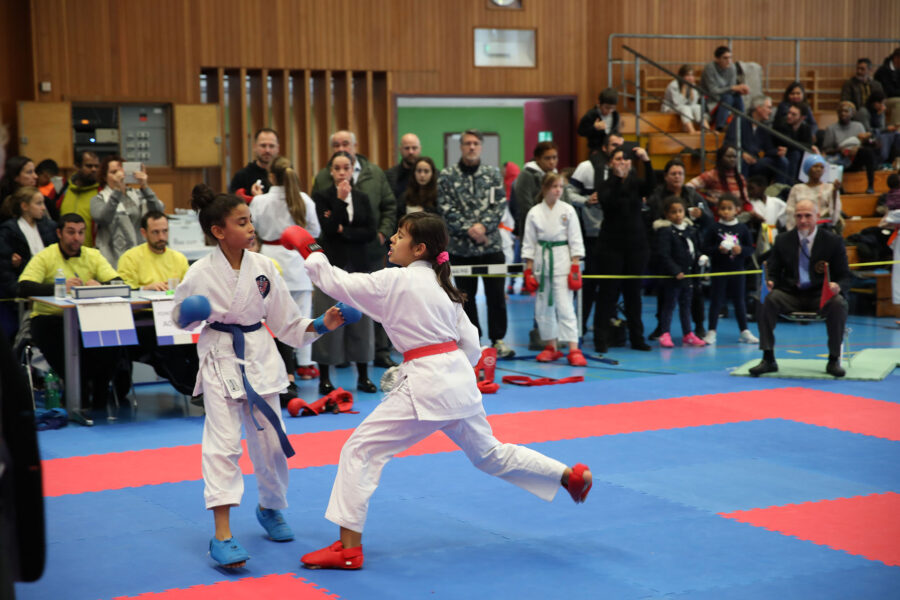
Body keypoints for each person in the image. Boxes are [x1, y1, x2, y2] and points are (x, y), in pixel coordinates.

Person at [280, 211, 593, 570]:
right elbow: (471, 344)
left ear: (419, 249)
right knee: (490, 454)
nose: (392, 239)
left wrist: (311, 248)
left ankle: (348, 549)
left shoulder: (395, 279)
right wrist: (451, 371)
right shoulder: (445, 288)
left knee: (360, 450)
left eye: (400, 235)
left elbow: (335, 281)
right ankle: (568, 475)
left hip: (426, 385)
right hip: (457, 380)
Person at [171, 187, 347, 569]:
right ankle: (222, 534)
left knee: (269, 445)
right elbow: (178, 317)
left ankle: (270, 507)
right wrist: (187, 314)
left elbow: (287, 323)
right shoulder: (200, 272)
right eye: (242, 222)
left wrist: (321, 324)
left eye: (250, 220)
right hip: (219, 357)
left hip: (260, 355)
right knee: (222, 445)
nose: (251, 228)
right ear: (219, 231)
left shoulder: (265, 267)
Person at [312, 130, 398, 368]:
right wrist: (338, 214)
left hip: (367, 253)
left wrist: (380, 234)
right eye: (336, 144)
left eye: (346, 143)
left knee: (368, 310)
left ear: (355, 146)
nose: (342, 147)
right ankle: (336, 359)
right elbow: (324, 225)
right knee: (333, 308)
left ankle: (377, 353)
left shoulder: (374, 174)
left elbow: (385, 210)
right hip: (335, 258)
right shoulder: (322, 180)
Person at [16, 213, 120, 409]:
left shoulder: (93, 255)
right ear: (59, 233)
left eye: (81, 233)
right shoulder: (46, 256)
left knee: (113, 342)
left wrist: (101, 285)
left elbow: (118, 282)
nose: (76, 238)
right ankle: (78, 396)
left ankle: (100, 397)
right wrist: (59, 287)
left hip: (89, 318)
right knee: (63, 347)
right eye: (71, 232)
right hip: (50, 318)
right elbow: (23, 287)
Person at [750, 199, 851, 378]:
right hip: (791, 294)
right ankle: (768, 358)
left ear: (817, 216)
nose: (803, 220)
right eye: (799, 216)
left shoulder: (833, 241)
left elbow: (845, 276)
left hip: (820, 295)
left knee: (838, 303)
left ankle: (834, 359)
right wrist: (770, 282)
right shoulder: (783, 240)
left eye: (807, 216)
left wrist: (837, 286)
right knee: (765, 299)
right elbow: (773, 271)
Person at [437, 129, 515, 358]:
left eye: (475, 143)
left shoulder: (492, 174)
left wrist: (483, 228)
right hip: (462, 250)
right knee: (466, 299)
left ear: (481, 146)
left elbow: (499, 205)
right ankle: (474, 344)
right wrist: (470, 230)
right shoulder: (447, 175)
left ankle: (498, 340)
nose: (472, 147)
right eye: (467, 143)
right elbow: (446, 208)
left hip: (491, 246)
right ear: (461, 147)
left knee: (497, 297)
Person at [250, 156, 322, 386]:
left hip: (270, 260)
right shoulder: (304, 199)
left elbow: (253, 229)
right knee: (302, 316)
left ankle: (278, 366)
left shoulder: (260, 201)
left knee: (272, 316)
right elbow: (315, 231)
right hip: (298, 261)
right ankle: (305, 364)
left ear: (271, 177)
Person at [311, 151, 378, 395]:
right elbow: (327, 230)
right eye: (337, 168)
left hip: (358, 267)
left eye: (346, 168)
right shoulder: (322, 197)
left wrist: (345, 231)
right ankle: (325, 378)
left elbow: (370, 231)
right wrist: (339, 201)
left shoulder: (362, 197)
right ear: (331, 171)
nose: (342, 172)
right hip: (331, 267)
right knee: (327, 318)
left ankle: (363, 376)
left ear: (352, 170)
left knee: (362, 323)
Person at [116, 210, 196, 395]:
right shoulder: (130, 257)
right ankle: (191, 389)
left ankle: (202, 388)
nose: (161, 237)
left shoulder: (178, 258)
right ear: (144, 233)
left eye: (165, 231)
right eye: (156, 232)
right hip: (144, 320)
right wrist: (145, 288)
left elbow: (190, 288)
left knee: (199, 343)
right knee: (167, 349)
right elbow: (123, 291)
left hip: (175, 317)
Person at [593, 145, 655, 353]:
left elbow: (651, 187)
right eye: (618, 159)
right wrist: (618, 179)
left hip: (636, 246)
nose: (622, 162)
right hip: (611, 247)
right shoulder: (605, 185)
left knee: (633, 294)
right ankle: (600, 338)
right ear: (611, 163)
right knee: (607, 293)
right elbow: (609, 202)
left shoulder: (637, 184)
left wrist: (646, 161)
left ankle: (637, 338)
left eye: (626, 159)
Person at [521, 173, 586, 365]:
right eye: (554, 186)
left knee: (565, 306)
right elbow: (529, 242)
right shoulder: (534, 212)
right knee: (543, 308)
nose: (558, 190)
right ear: (545, 188)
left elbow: (575, 239)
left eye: (560, 187)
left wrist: (575, 266)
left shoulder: (568, 210)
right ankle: (551, 347)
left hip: (563, 262)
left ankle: (574, 348)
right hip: (542, 262)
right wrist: (528, 270)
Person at [646, 158, 713, 341]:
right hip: (667, 250)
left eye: (680, 173)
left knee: (695, 291)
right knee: (665, 293)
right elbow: (650, 220)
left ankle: (697, 327)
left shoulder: (693, 195)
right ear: (666, 176)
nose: (677, 177)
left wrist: (702, 215)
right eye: (673, 173)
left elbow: (709, 220)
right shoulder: (657, 195)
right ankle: (662, 328)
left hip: (690, 249)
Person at [0, 187, 57, 336]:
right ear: (24, 206)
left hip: (51, 287)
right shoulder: (8, 231)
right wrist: (19, 291)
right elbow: (5, 269)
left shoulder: (50, 227)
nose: (43, 208)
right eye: (38, 203)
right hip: (23, 293)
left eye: (43, 203)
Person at [700, 194, 757, 345]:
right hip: (719, 271)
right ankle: (711, 331)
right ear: (718, 210)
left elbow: (750, 249)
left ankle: (744, 331)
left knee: (739, 301)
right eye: (723, 208)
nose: (726, 211)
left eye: (729, 208)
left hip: (738, 271)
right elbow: (705, 248)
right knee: (716, 301)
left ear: (736, 210)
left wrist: (741, 250)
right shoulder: (714, 228)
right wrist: (718, 249)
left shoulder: (742, 228)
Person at [652, 197, 706, 348]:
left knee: (686, 305)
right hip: (673, 277)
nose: (678, 215)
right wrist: (675, 270)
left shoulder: (690, 230)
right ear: (667, 214)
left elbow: (694, 249)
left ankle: (688, 334)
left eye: (680, 211)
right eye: (673, 212)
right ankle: (665, 333)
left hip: (689, 276)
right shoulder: (666, 231)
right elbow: (664, 254)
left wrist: (700, 258)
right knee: (669, 305)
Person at [91, 156, 163, 265]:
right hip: (112, 259)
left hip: (140, 257)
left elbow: (158, 213)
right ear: (104, 177)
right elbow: (104, 218)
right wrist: (117, 191)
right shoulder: (99, 199)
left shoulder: (138, 195)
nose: (119, 175)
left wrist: (144, 186)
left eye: (121, 171)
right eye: (113, 172)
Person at [726, 95, 790, 184]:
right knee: (743, 161)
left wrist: (778, 152)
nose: (770, 111)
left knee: (782, 161)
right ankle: (742, 189)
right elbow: (729, 142)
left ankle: (779, 190)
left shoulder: (763, 127)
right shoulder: (740, 120)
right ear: (759, 108)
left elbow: (768, 149)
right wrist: (742, 153)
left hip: (756, 162)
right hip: (740, 159)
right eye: (768, 108)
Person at [512, 141, 571, 237]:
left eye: (554, 157)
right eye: (547, 158)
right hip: (534, 229)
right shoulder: (526, 175)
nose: (552, 162)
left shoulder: (557, 176)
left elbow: (567, 202)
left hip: (559, 229)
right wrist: (543, 223)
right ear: (538, 159)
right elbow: (525, 206)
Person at [821, 101, 876, 194]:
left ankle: (870, 185)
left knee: (868, 152)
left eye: (846, 111)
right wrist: (840, 150)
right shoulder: (831, 129)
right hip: (839, 160)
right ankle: (839, 188)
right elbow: (826, 150)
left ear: (852, 113)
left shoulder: (858, 126)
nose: (843, 113)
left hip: (855, 160)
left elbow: (864, 143)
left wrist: (857, 149)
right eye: (841, 111)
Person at [686, 144, 750, 215]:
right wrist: (707, 198)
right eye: (729, 156)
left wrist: (749, 211)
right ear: (721, 158)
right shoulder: (711, 175)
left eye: (734, 157)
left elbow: (746, 201)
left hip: (737, 215)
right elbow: (688, 187)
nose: (732, 159)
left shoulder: (740, 178)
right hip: (717, 215)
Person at [784, 154, 841, 232]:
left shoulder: (830, 187)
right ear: (808, 168)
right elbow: (790, 211)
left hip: (822, 227)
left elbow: (834, 214)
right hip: (802, 227)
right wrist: (793, 231)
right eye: (815, 166)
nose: (819, 169)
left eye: (821, 167)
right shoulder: (797, 188)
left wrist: (834, 192)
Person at [57, 151, 100, 247]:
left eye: (96, 166)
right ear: (77, 167)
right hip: (64, 250)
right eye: (89, 166)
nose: (94, 169)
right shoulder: (65, 189)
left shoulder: (101, 192)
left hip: (91, 251)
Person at [701, 46, 750, 131]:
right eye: (725, 58)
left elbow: (732, 89)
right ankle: (719, 127)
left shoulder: (732, 67)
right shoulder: (710, 68)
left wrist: (740, 90)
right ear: (717, 59)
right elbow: (713, 90)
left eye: (730, 57)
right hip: (710, 98)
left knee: (737, 96)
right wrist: (733, 88)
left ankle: (742, 124)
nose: (728, 61)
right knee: (728, 98)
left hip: (726, 96)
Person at [853, 91, 900, 166]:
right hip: (866, 137)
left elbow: (881, 127)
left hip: (877, 134)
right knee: (884, 137)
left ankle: (896, 160)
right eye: (882, 103)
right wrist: (886, 129)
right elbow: (867, 131)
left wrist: (880, 115)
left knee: (896, 134)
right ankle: (881, 161)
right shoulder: (863, 112)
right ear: (875, 103)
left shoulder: (878, 111)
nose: (883, 106)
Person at [229, 128, 279, 198]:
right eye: (263, 145)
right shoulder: (242, 176)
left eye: (271, 146)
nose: (267, 150)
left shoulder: (284, 174)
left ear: (278, 148)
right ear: (254, 147)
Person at [775, 102, 817, 180]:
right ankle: (790, 184)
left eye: (793, 114)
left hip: (798, 155)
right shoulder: (781, 124)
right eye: (789, 112)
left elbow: (809, 145)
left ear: (802, 117)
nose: (789, 116)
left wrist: (807, 146)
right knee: (795, 154)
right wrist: (803, 146)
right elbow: (787, 142)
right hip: (781, 153)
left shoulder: (806, 128)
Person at [662, 65, 708, 133]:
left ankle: (706, 129)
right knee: (685, 108)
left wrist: (692, 90)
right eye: (688, 75)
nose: (690, 78)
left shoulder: (692, 85)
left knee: (698, 107)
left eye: (692, 75)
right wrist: (684, 90)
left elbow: (693, 103)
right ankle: (692, 131)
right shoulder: (674, 85)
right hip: (670, 107)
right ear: (681, 76)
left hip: (685, 107)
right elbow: (677, 103)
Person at [577, 88, 621, 154]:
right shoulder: (591, 114)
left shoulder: (615, 115)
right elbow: (580, 131)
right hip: (596, 150)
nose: (609, 111)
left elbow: (616, 131)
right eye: (607, 107)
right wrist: (594, 127)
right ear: (599, 103)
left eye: (612, 108)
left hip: (612, 150)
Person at [385, 133, 421, 201]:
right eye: (407, 148)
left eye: (414, 148)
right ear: (400, 149)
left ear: (420, 149)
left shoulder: (433, 175)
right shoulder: (388, 176)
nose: (411, 152)